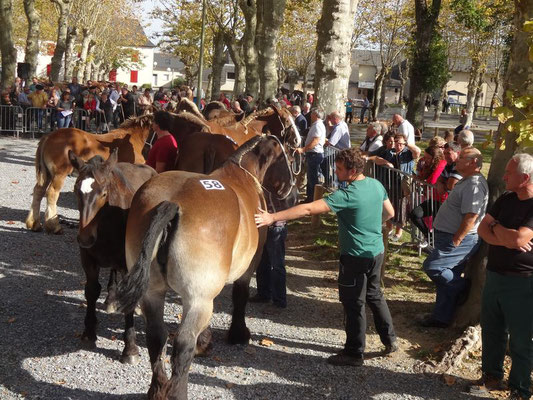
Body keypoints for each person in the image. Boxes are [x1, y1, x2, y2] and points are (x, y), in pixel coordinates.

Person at [255, 147, 398, 366]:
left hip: (355, 256)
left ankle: (354, 352)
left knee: (354, 303)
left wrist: (272, 216)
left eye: (339, 168)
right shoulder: (376, 185)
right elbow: (390, 213)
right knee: (375, 295)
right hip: (377, 251)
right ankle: (390, 340)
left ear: (352, 171)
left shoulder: (347, 195)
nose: (335, 171)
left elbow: (308, 209)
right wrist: (371, 224)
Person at [473, 153, 533, 400]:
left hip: (522, 282)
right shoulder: (507, 199)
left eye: (509, 173)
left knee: (521, 338)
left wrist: (497, 229)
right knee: (492, 329)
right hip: (495, 275)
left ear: (525, 177)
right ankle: (492, 376)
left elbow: (519, 239)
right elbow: (481, 229)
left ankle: (520, 389)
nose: (504, 176)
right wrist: (504, 234)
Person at [421, 147, 488, 328]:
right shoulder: (467, 180)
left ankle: (461, 287)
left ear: (474, 162)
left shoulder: (474, 185)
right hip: (450, 235)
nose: (456, 159)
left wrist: (457, 240)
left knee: (433, 267)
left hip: (459, 239)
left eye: (462, 157)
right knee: (446, 278)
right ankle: (441, 317)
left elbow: (471, 216)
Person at [409, 145, 447, 244]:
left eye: (428, 158)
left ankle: (435, 244)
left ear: (435, 157)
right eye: (425, 157)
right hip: (433, 199)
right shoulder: (428, 165)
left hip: (442, 201)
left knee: (437, 225)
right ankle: (429, 236)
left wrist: (424, 181)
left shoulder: (442, 163)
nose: (425, 160)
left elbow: (433, 180)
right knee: (415, 214)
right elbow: (423, 178)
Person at [298, 107, 326, 203]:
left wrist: (303, 149)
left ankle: (313, 199)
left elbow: (315, 140)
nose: (310, 115)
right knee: (311, 177)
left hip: (315, 154)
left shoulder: (318, 125)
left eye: (312, 113)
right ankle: (310, 198)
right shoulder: (316, 125)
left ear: (316, 115)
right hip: (313, 154)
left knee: (313, 178)